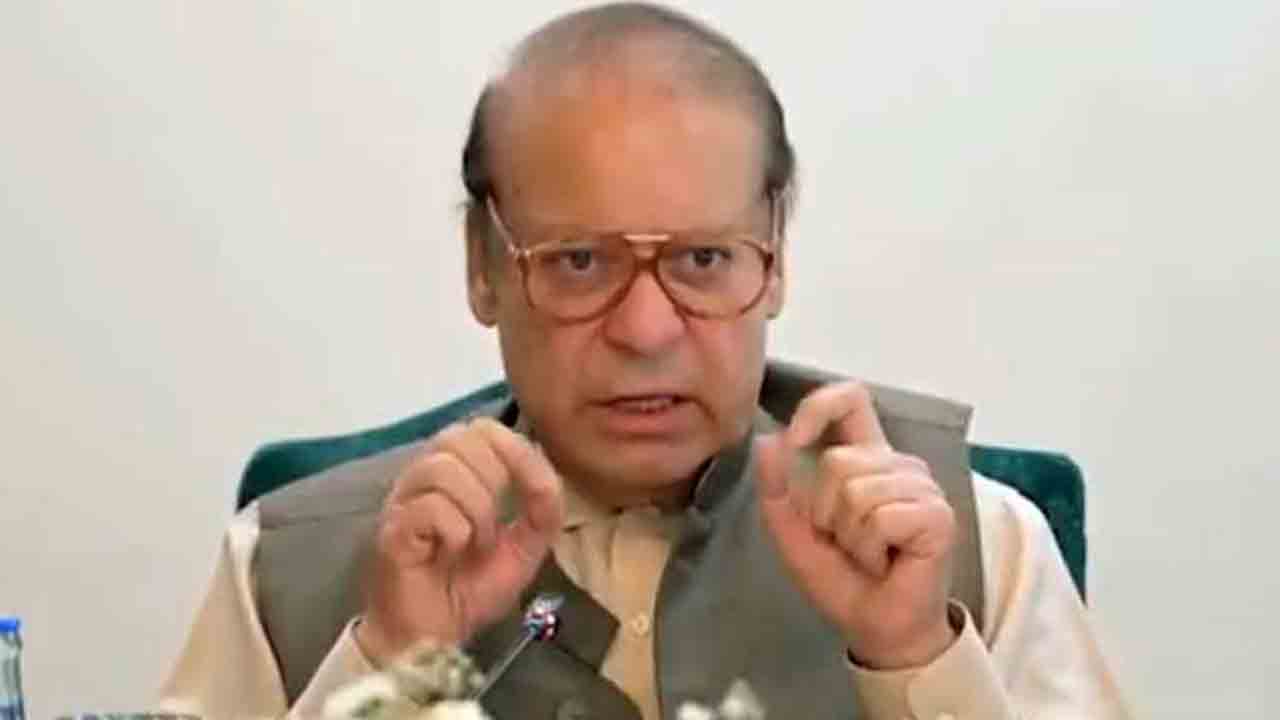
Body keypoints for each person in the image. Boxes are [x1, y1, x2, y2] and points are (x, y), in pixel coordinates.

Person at [159, 3, 1130, 718]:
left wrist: (913, 657)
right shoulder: (287, 566)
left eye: (703, 260)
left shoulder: (972, 540)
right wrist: (390, 665)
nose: (646, 330)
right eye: (579, 262)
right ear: (482, 269)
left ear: (774, 262)